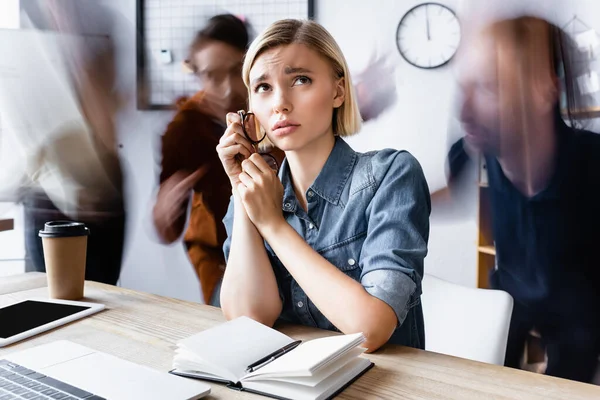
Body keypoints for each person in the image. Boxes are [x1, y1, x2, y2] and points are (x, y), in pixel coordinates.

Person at [217, 19, 430, 352]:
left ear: (338, 91)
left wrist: (273, 225)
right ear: (250, 113)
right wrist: (240, 187)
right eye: (263, 87)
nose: (280, 103)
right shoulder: (254, 192)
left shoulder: (392, 174)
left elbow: (370, 329)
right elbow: (249, 318)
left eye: (300, 79)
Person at [449, 16, 600, 382]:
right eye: (465, 87)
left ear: (544, 88)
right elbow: (448, 194)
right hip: (511, 295)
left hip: (581, 310)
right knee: (484, 379)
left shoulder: (591, 161)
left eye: (488, 86)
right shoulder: (475, 146)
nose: (464, 110)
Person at [154, 14, 284, 305]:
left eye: (235, 72)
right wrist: (164, 212)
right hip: (221, 260)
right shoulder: (185, 127)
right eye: (212, 75)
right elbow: (166, 229)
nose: (225, 88)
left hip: (289, 244)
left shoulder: (276, 108)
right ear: (197, 73)